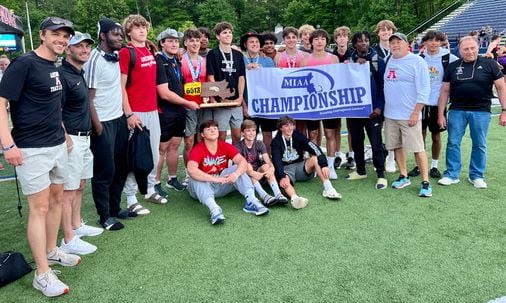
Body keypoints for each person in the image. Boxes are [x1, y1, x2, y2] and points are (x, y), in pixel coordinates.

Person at [0, 16, 79, 297]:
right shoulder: (23, 63)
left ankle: (51, 250)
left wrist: (64, 131)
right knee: (40, 208)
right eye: (57, 34)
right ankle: (42, 274)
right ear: (43, 35)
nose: (62, 40)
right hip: (32, 149)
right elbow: (1, 103)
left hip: (57, 144)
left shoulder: (53, 66)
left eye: (66, 36)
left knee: (57, 200)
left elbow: (50, 106)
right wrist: (7, 144)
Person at [437, 36, 506, 189]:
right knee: (453, 143)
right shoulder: (452, 66)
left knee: (479, 144)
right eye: (465, 49)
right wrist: (440, 113)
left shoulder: (490, 64)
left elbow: (501, 88)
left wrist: (504, 110)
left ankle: (476, 175)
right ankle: (451, 174)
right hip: (457, 110)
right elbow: (444, 91)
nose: (469, 52)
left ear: (478, 47)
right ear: (460, 50)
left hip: (481, 111)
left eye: (472, 48)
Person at [84, 18, 132, 231]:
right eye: (115, 34)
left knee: (121, 167)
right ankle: (104, 216)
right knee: (105, 171)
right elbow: (89, 97)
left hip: (118, 119)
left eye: (121, 35)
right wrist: (98, 126)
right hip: (102, 122)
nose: (119, 38)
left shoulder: (115, 55)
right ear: (102, 36)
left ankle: (115, 208)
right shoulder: (94, 59)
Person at [58, 32, 103, 256]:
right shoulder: (62, 75)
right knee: (68, 190)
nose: (84, 50)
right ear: (68, 49)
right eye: (79, 46)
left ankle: (77, 225)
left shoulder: (79, 72)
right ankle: (68, 238)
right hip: (71, 138)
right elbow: (55, 109)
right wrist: (64, 135)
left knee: (80, 185)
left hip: (84, 137)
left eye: (87, 46)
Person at [120, 14, 167, 211]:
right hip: (136, 111)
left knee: (153, 156)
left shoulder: (149, 50)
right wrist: (129, 113)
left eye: (144, 27)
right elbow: (120, 87)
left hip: (152, 110)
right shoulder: (126, 52)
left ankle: (149, 189)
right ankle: (131, 199)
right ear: (128, 31)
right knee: (136, 157)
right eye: (137, 27)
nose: (142, 30)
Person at [187, 120, 269, 225]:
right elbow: (191, 170)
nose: (213, 130)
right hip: (202, 189)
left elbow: (242, 162)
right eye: (208, 129)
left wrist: (235, 174)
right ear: (202, 134)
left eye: (215, 128)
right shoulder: (198, 149)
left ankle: (251, 202)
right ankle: (214, 210)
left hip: (221, 183)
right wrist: (214, 179)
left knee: (237, 167)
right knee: (195, 177)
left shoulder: (224, 145)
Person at [383, 33, 432, 197]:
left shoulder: (417, 61)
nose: (395, 45)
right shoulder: (390, 60)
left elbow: (424, 90)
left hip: (409, 114)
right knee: (397, 146)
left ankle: (425, 181)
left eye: (398, 42)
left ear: (407, 44)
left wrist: (416, 111)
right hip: (391, 114)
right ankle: (404, 175)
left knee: (418, 148)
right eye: (392, 43)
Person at [407, 31, 458, 180]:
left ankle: (434, 166)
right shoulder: (419, 58)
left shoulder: (449, 58)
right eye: (430, 40)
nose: (433, 43)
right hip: (421, 103)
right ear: (425, 42)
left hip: (438, 103)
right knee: (419, 135)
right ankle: (419, 165)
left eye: (437, 40)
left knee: (436, 136)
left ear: (442, 42)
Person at [155, 28, 200, 194]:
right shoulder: (158, 60)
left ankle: (172, 178)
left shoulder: (176, 61)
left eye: (176, 41)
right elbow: (164, 93)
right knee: (162, 148)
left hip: (179, 110)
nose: (174, 44)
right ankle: (155, 182)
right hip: (165, 111)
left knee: (175, 145)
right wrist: (187, 103)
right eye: (170, 41)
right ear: (162, 43)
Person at [271, 116, 342, 210]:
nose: (290, 128)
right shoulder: (276, 142)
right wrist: (281, 176)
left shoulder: (297, 135)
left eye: (291, 125)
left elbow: (314, 148)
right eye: (286, 125)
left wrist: (324, 165)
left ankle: (328, 188)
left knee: (315, 159)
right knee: (284, 180)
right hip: (286, 170)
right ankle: (294, 198)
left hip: (301, 167)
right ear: (280, 128)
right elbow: (277, 161)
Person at [346, 31, 387, 190]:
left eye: (366, 40)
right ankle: (361, 170)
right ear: (354, 44)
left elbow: (383, 86)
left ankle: (381, 174)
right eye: (360, 41)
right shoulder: (349, 60)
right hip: (355, 110)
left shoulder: (378, 60)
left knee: (376, 143)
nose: (363, 43)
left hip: (373, 111)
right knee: (356, 142)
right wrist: (348, 67)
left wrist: (379, 107)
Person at [300, 29, 340, 180]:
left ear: (326, 41)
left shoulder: (333, 59)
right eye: (316, 39)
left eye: (322, 39)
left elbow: (339, 80)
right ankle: (316, 163)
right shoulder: (305, 61)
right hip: (312, 104)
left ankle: (330, 166)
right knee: (313, 134)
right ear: (311, 42)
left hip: (329, 103)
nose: (319, 41)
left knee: (330, 133)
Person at [204, 22, 246, 144]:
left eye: (229, 32)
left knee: (237, 136)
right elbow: (211, 78)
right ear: (218, 36)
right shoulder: (213, 54)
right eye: (224, 32)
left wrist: (240, 97)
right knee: (221, 136)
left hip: (236, 102)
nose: (228, 35)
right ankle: (222, 162)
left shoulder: (238, 55)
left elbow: (241, 78)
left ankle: (235, 162)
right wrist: (223, 98)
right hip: (221, 102)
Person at [234, 120, 289, 206]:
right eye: (248, 131)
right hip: (246, 176)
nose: (251, 133)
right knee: (247, 165)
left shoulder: (259, 143)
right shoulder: (238, 146)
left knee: (266, 166)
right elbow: (240, 166)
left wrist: (271, 169)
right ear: (242, 133)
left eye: (253, 130)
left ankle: (278, 194)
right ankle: (264, 196)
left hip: (259, 174)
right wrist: (252, 173)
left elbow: (268, 160)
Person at [240, 30, 276, 154]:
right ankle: (251, 160)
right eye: (251, 42)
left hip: (265, 104)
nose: (254, 44)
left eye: (256, 41)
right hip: (249, 103)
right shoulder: (241, 59)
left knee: (267, 133)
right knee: (250, 134)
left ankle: (268, 160)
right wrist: (244, 105)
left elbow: (273, 82)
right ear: (245, 44)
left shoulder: (268, 61)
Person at [181, 28, 207, 187]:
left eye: (197, 40)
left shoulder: (205, 61)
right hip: (187, 105)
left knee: (201, 139)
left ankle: (200, 169)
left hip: (203, 105)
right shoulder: (180, 59)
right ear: (185, 43)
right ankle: (188, 172)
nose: (195, 43)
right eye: (191, 40)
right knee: (189, 141)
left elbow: (209, 83)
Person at [374, 19, 398, 173]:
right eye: (382, 30)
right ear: (378, 33)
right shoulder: (373, 51)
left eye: (388, 29)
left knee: (392, 127)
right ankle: (380, 155)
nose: (385, 32)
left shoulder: (398, 49)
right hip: (377, 94)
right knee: (378, 126)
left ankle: (391, 157)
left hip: (395, 94)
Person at [331, 26, 355, 170]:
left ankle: (351, 154)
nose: (341, 38)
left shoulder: (354, 54)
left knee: (351, 126)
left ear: (348, 38)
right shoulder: (331, 55)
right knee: (336, 127)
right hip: (335, 95)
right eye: (339, 36)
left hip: (350, 95)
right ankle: (338, 154)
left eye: (344, 36)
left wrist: (354, 65)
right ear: (335, 39)